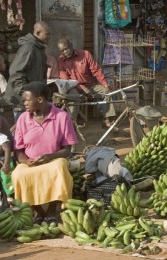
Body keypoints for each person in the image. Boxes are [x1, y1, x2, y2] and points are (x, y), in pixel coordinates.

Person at [11, 81, 77, 223]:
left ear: (40, 100)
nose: (25, 104)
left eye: (27, 100)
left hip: (54, 159)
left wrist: (50, 156)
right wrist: (25, 160)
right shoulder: (22, 119)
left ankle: (52, 209)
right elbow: (18, 150)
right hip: (30, 161)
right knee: (18, 174)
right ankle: (38, 211)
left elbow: (67, 150)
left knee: (59, 168)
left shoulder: (61, 117)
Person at [57, 38, 116, 128]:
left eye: (67, 48)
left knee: (106, 92)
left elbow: (96, 70)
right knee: (73, 97)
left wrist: (105, 84)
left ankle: (106, 120)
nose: (65, 52)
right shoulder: (60, 61)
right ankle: (71, 125)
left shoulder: (85, 54)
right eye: (62, 50)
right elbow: (66, 80)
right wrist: (81, 88)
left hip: (90, 85)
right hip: (74, 87)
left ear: (71, 45)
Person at [4, 22, 50, 121]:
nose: (49, 37)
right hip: (21, 102)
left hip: (31, 101)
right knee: (21, 132)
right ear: (38, 33)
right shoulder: (29, 48)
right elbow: (16, 73)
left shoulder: (38, 48)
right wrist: (26, 95)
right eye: (47, 34)